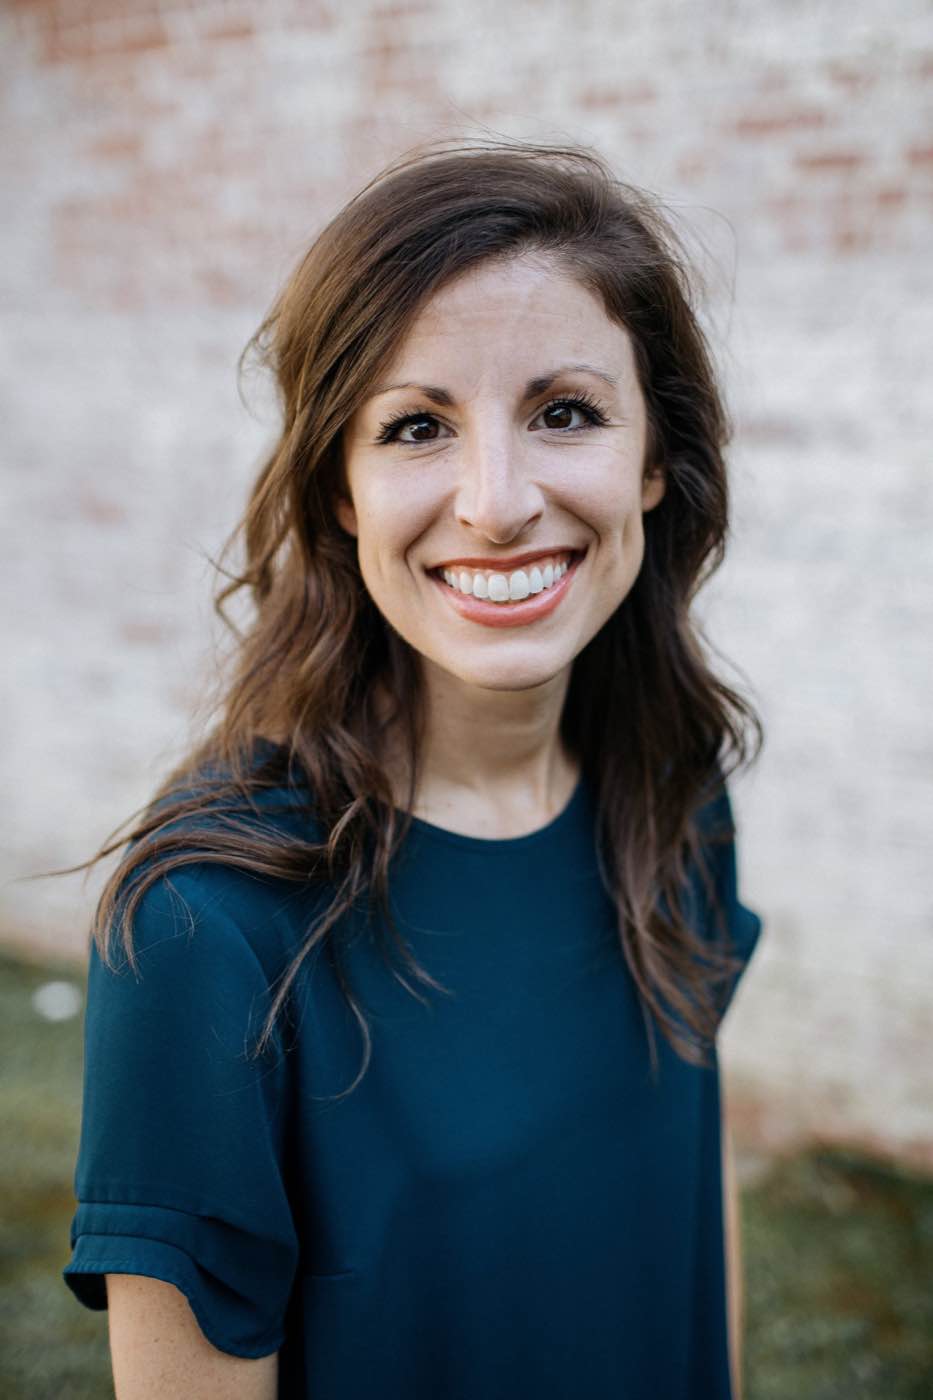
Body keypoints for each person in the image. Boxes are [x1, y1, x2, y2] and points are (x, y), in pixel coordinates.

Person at [62, 138, 765, 1400]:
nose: (495, 502)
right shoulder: (203, 927)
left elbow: (691, 1199)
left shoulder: (676, 791)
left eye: (565, 412)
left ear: (655, 459)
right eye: (416, 425)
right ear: (339, 486)